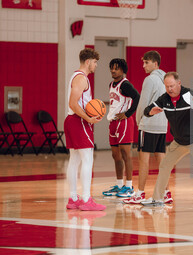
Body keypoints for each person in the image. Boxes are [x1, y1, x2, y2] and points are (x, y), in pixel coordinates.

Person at [141, 72, 193, 211]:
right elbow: (147, 110)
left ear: (179, 83)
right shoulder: (164, 98)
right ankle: (157, 199)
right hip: (179, 141)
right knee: (165, 165)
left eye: (172, 86)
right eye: (167, 86)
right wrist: (150, 112)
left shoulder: (189, 95)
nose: (169, 89)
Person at [124, 51, 173, 204]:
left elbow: (143, 103)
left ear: (155, 63)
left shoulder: (150, 79)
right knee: (161, 159)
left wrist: (139, 120)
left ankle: (139, 193)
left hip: (149, 123)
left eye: (146, 62)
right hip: (162, 125)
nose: (143, 65)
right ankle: (166, 192)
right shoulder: (166, 79)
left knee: (143, 159)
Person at [64, 48, 106, 211]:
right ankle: (86, 199)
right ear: (88, 62)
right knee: (87, 159)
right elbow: (73, 103)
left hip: (72, 120)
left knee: (74, 160)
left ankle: (73, 198)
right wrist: (88, 118)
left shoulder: (76, 76)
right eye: (95, 62)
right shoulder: (81, 79)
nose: (96, 65)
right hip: (78, 121)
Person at [102, 58, 140, 198]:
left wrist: (128, 113)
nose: (113, 70)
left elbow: (137, 97)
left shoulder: (126, 85)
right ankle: (119, 185)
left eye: (116, 68)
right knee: (115, 155)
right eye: (111, 67)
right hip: (113, 122)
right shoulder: (111, 84)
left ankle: (129, 186)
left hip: (124, 122)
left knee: (125, 154)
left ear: (123, 70)